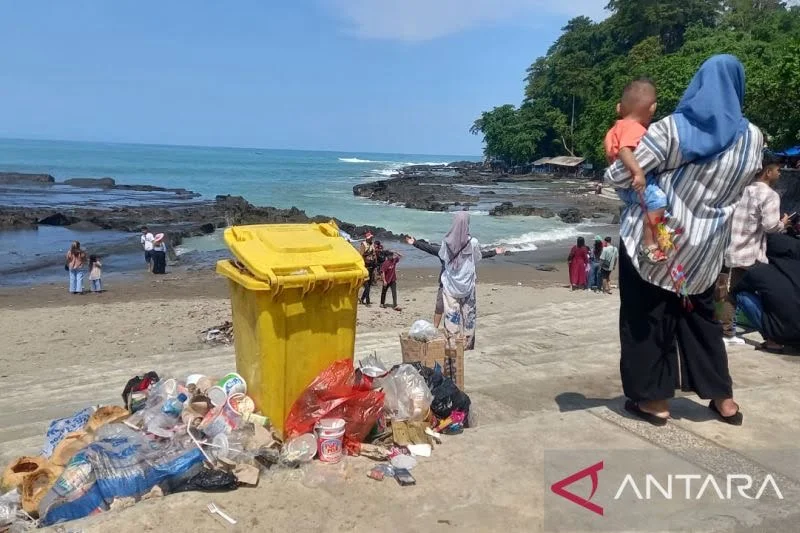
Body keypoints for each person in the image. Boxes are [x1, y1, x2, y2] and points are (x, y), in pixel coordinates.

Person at [605, 55, 764, 426]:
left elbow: (622, 175)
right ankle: (723, 400)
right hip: (706, 250)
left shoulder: (673, 129)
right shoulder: (753, 137)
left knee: (645, 318)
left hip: (659, 245)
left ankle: (654, 402)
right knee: (702, 322)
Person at [717, 152, 789, 347]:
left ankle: (726, 330)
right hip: (752, 253)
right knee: (761, 293)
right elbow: (770, 226)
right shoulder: (770, 195)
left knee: (730, 290)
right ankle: (771, 335)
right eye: (778, 170)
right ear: (768, 172)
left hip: (732, 248)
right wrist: (783, 223)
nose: (779, 174)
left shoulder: (743, 190)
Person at [604, 78, 668, 264]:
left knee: (651, 206)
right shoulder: (635, 128)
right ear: (652, 108)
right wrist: (638, 172)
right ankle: (649, 245)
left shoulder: (613, 130)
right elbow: (625, 150)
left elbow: (611, 156)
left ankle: (658, 239)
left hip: (623, 188)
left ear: (618, 108)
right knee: (658, 201)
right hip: (636, 182)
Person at [405, 232, 503, 328]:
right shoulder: (444, 251)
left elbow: (480, 254)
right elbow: (429, 248)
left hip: (460, 286)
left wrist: (494, 252)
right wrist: (415, 243)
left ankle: (457, 331)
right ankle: (435, 328)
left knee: (458, 310)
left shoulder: (466, 252)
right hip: (445, 285)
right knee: (439, 307)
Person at [731, 234, 800, 354]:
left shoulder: (761, 271)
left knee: (743, 295)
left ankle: (772, 341)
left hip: (780, 332)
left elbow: (737, 290)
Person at [437, 212, 496, 350]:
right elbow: (477, 258)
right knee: (469, 314)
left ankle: (453, 345)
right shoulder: (473, 242)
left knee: (451, 315)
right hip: (467, 284)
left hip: (451, 284)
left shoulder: (446, 242)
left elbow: (443, 256)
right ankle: (468, 344)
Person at [359, 232, 377, 305]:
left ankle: (362, 299)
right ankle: (368, 301)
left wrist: (375, 263)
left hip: (371, 265)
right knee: (367, 285)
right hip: (365, 266)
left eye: (372, 238)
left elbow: (374, 254)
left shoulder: (371, 244)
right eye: (370, 238)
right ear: (367, 238)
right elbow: (361, 255)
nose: (371, 239)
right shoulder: (363, 245)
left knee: (369, 285)